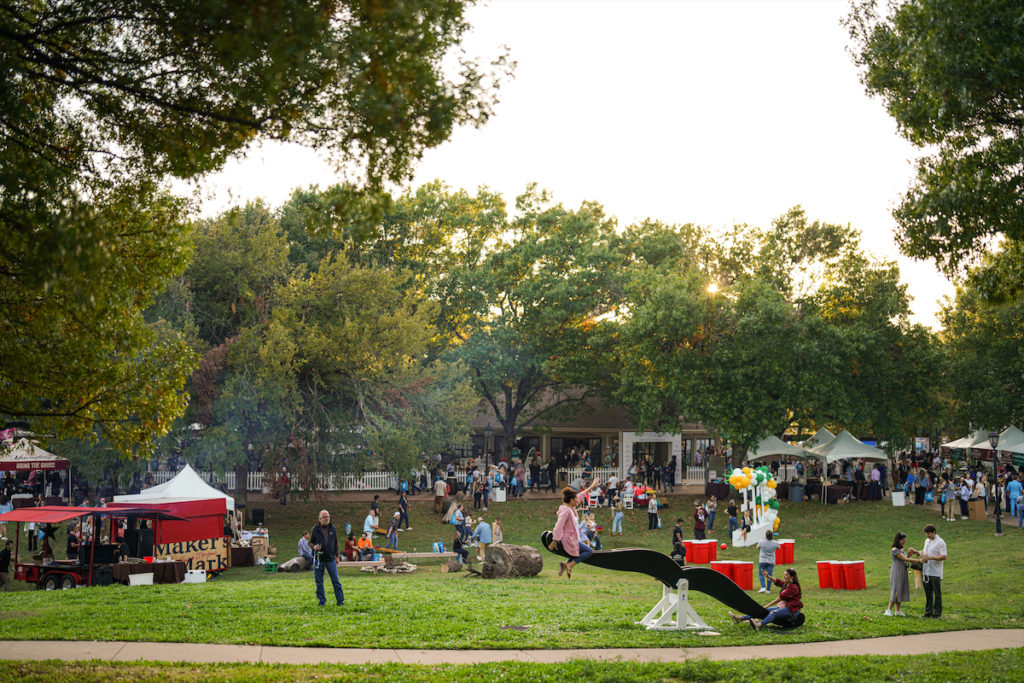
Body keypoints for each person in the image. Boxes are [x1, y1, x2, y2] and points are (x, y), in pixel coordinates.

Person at [549, 479, 600, 579]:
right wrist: (555, 541)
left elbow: (581, 495)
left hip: (573, 538)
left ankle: (565, 564)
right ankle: (569, 565)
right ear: (571, 500)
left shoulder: (571, 508)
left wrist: (591, 487)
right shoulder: (566, 511)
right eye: (575, 499)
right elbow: (559, 525)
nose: (578, 500)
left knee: (576, 552)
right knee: (589, 551)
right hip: (569, 539)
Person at [730, 567, 803, 630]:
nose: (784, 576)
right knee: (762, 611)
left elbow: (779, 598)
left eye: (786, 575)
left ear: (792, 577)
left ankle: (759, 624)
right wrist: (768, 577)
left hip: (791, 610)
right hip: (783, 607)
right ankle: (740, 619)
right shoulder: (787, 584)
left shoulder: (793, 587)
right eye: (784, 574)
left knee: (773, 613)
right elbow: (778, 582)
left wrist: (767, 606)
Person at [310, 510, 344, 606]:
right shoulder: (315, 529)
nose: (327, 518)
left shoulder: (333, 528)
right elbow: (310, 542)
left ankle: (340, 601)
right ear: (320, 519)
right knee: (319, 581)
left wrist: (338, 556)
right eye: (324, 517)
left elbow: (336, 543)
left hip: (330, 558)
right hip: (319, 559)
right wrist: (314, 547)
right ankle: (322, 601)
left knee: (336, 580)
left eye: (328, 516)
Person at [919, 524, 947, 618]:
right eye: (926, 534)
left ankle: (937, 613)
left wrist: (931, 557)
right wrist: (917, 552)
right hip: (926, 570)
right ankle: (928, 611)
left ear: (934, 532)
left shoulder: (941, 542)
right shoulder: (927, 541)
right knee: (928, 593)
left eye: (929, 533)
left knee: (937, 593)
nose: (927, 535)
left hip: (935, 572)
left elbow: (944, 556)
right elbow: (924, 552)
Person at [885, 532, 912, 616]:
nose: (904, 542)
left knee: (900, 589)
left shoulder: (901, 549)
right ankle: (888, 610)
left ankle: (897, 610)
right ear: (898, 540)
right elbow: (905, 559)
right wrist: (919, 561)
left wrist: (909, 555)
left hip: (902, 570)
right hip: (896, 571)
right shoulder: (895, 550)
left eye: (905, 540)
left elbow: (905, 559)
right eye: (903, 540)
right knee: (896, 589)